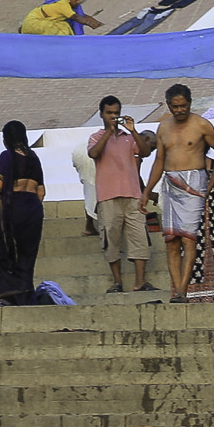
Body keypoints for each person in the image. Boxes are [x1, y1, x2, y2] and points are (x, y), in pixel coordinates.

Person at [141, 84, 214, 302]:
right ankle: (177, 291)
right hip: (170, 184)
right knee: (171, 241)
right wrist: (147, 191)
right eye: (175, 106)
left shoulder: (202, 125)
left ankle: (182, 291)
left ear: (190, 103)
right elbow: (159, 161)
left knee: (189, 239)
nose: (179, 110)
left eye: (183, 106)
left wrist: (211, 181)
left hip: (195, 183)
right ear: (169, 105)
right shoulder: (163, 128)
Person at [81, 96, 154, 293]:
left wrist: (133, 130)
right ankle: (117, 282)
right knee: (110, 240)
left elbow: (145, 152)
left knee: (139, 237)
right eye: (109, 113)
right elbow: (94, 153)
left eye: (116, 113)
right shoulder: (96, 137)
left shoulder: (128, 137)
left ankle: (140, 282)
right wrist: (109, 132)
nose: (113, 117)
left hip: (132, 195)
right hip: (108, 196)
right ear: (101, 114)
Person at [0, 121, 44, 305]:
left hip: (13, 206)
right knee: (26, 254)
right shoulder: (34, 157)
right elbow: (41, 191)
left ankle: (1, 295)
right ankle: (22, 296)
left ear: (6, 139)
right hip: (33, 208)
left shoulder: (7, 155)